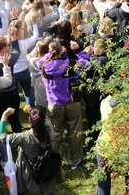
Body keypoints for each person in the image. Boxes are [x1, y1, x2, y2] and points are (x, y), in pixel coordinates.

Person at [38, 40, 89, 170]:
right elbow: (86, 64)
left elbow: (40, 61)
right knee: (75, 131)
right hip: (72, 101)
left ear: (50, 52)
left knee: (56, 132)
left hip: (55, 103)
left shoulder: (44, 65)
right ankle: (75, 161)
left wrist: (53, 53)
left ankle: (56, 161)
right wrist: (80, 52)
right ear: (61, 50)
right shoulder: (69, 64)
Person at [0, 105, 62, 194]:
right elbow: (42, 119)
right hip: (47, 170)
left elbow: (1, 137)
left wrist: (5, 115)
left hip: (30, 177)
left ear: (29, 120)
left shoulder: (24, 137)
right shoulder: (49, 129)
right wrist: (31, 111)